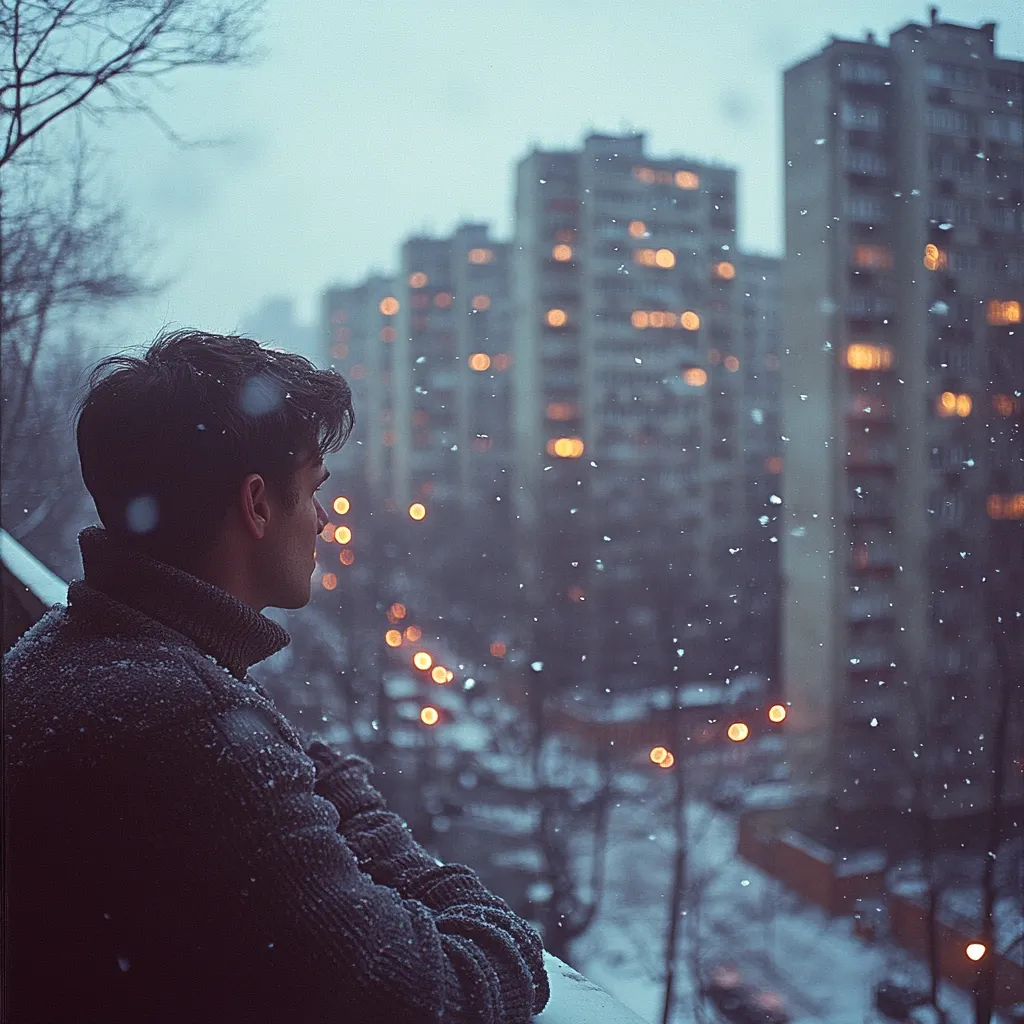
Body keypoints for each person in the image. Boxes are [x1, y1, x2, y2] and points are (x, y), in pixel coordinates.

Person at [3, 330, 549, 1023]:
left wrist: (297, 760)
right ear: (257, 504)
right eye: (315, 491)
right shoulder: (184, 724)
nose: (323, 521)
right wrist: (486, 918)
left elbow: (295, 771)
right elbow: (433, 993)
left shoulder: (91, 647)